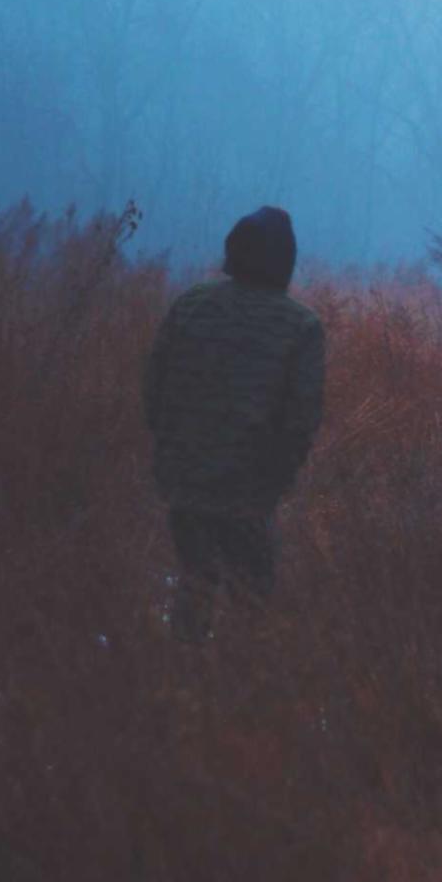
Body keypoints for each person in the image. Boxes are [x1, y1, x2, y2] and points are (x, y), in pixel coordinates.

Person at [144, 206, 324, 642]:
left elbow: (155, 388)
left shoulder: (191, 304)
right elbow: (301, 419)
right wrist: (277, 480)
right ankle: (239, 696)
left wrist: (173, 452)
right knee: (254, 599)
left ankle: (178, 688)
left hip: (183, 478)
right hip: (249, 489)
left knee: (195, 585)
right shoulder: (300, 326)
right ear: (286, 259)